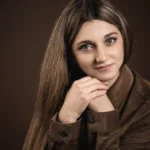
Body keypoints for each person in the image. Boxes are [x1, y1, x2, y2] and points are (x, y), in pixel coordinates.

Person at [23, 0, 150, 149]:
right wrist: (67, 117)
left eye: (110, 40)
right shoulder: (61, 93)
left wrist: (105, 117)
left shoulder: (146, 107)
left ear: (124, 38)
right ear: (70, 55)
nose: (101, 57)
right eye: (87, 47)